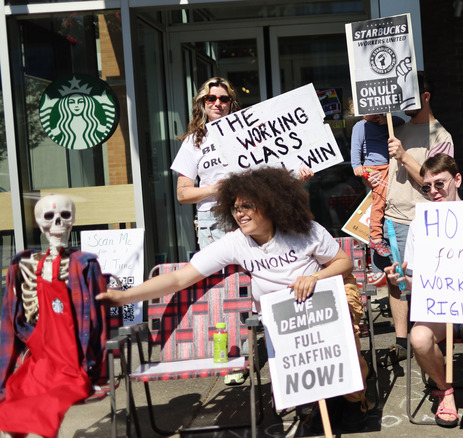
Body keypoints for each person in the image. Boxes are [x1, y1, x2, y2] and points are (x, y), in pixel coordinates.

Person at [97, 167, 370, 431]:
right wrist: (124, 297)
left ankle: (351, 401)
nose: (240, 214)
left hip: (324, 298)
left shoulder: (304, 230)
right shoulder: (235, 242)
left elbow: (342, 263)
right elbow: (180, 278)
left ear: (270, 204)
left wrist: (314, 279)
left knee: (338, 332)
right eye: (235, 208)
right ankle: (328, 403)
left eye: (247, 206)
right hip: (284, 318)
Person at [383, 153, 463, 431]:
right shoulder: (422, 223)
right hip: (439, 306)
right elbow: (414, 278)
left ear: (457, 179)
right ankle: (445, 390)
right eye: (426, 187)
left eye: (439, 184)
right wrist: (398, 280)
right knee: (418, 337)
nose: (433, 191)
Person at [0, 195, 108, 437]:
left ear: (73, 221)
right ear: (40, 224)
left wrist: (96, 370)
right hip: (37, 357)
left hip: (73, 362)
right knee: (11, 404)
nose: (58, 222)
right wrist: (3, 373)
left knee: (47, 402)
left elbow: (97, 323)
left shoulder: (85, 265)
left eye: (64, 216)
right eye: (49, 217)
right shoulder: (22, 265)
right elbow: (8, 325)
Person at [171, 77, 314, 250]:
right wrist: (215, 189)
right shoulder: (193, 142)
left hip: (252, 212)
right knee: (221, 276)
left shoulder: (250, 135)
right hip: (214, 218)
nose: (217, 103)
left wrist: (295, 177)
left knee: (257, 273)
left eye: (224, 99)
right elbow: (182, 194)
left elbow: (269, 174)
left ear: (231, 103)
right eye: (211, 98)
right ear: (203, 102)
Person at [370, 71, 454, 365]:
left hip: (421, 220)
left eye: (408, 94)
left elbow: (436, 183)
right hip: (393, 218)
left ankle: (431, 338)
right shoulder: (400, 128)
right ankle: (401, 340)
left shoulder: (441, 136)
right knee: (396, 281)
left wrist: (404, 156)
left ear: (426, 97)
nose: (401, 101)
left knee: (424, 281)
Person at [350, 114, 403, 257]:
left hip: (390, 166)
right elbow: (356, 148)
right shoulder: (361, 126)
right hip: (374, 169)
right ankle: (375, 237)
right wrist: (356, 165)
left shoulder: (385, 123)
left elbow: (401, 121)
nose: (374, 114)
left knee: (387, 198)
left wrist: (387, 120)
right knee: (379, 202)